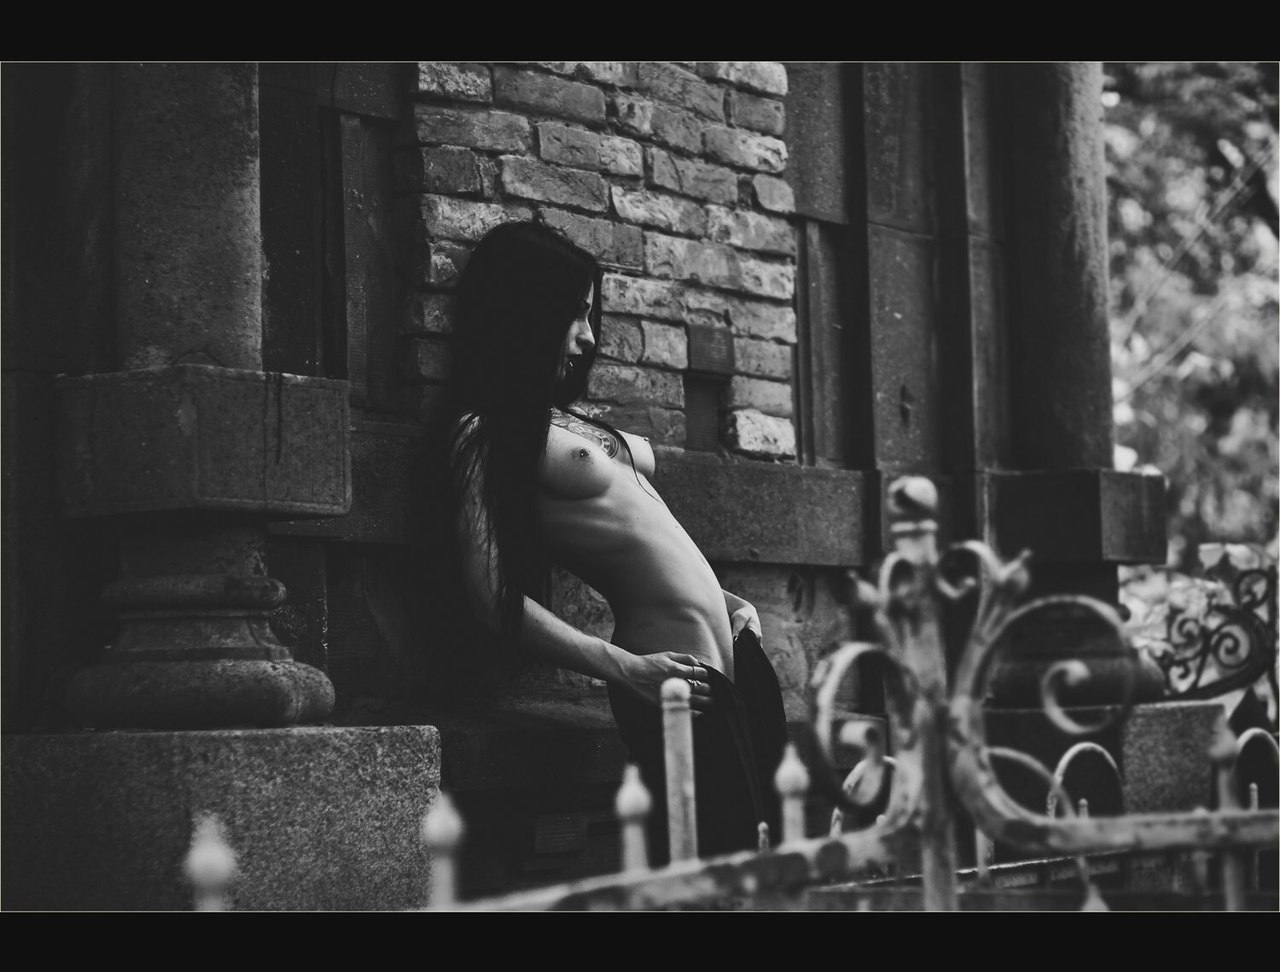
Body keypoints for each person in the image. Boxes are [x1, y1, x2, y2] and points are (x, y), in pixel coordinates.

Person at [438, 219, 787, 864]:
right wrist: (624, 667)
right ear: (525, 312)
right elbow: (491, 599)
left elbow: (646, 536)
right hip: (668, 679)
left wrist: (725, 601)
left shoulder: (564, 422)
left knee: (767, 866)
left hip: (736, 666)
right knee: (705, 878)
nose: (589, 337)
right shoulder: (481, 434)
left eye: (589, 315)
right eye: (574, 314)